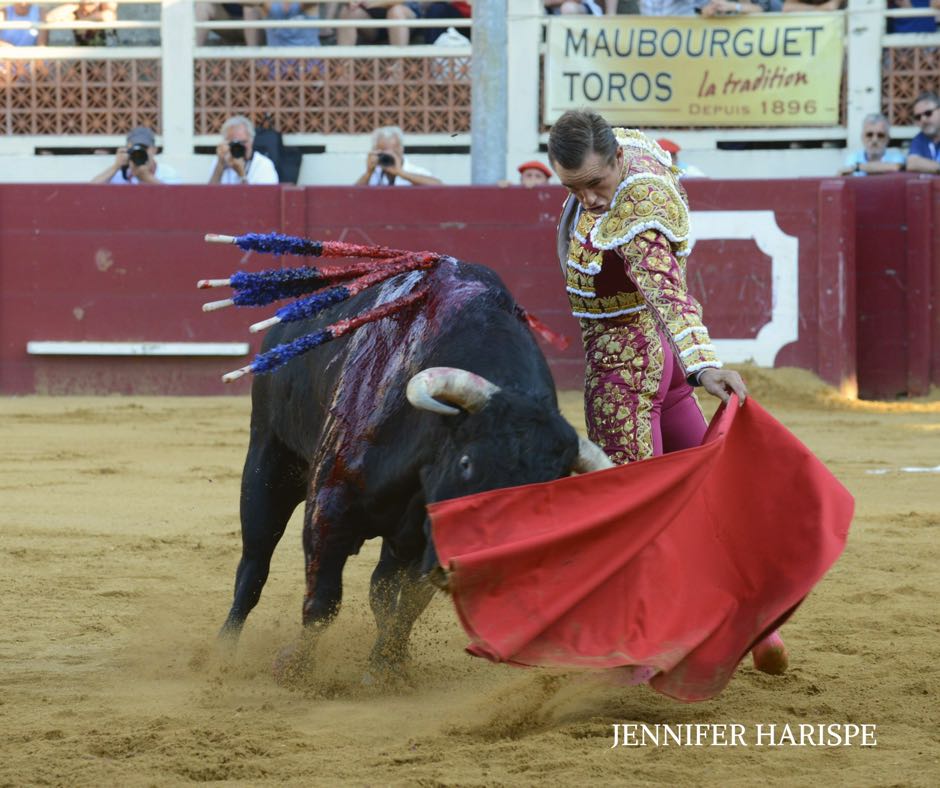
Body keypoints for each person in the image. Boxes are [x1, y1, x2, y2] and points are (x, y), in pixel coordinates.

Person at [548, 109, 787, 675]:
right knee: (703, 498)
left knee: (635, 518)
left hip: (625, 372)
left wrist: (705, 366)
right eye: (573, 187)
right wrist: (689, 367)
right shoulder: (629, 149)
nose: (589, 199)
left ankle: (644, 656)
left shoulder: (637, 212)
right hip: (662, 366)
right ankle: (761, 627)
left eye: (596, 183)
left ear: (616, 160)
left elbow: (669, 295)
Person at [90, 126, 181, 184]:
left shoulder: (167, 172)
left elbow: (175, 198)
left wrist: (146, 177)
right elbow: (89, 191)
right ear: (127, 150)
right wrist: (115, 167)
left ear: (154, 150)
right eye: (134, 148)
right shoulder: (121, 173)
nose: (139, 152)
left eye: (144, 148)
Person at [355, 125, 442, 186]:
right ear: (375, 151)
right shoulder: (372, 174)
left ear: (401, 149)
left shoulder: (414, 171)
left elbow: (440, 187)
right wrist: (368, 173)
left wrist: (401, 173)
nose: (388, 156)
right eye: (383, 152)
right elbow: (352, 195)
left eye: (393, 152)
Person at [209, 115, 280, 185]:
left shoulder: (263, 164)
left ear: (251, 140)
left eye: (243, 142)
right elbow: (210, 191)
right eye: (234, 143)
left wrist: (242, 175)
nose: (238, 147)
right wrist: (220, 164)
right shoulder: (220, 161)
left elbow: (265, 193)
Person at [838, 113, 905, 176]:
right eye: (869, 135)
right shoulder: (853, 158)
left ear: (888, 139)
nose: (874, 140)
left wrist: (857, 167)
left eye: (880, 135)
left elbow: (896, 168)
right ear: (862, 137)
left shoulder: (896, 157)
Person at [336, 2, 422, 47]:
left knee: (395, 12)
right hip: (374, 23)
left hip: (405, 18)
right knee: (347, 11)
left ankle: (397, 69)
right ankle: (343, 69)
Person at [46, 2, 116, 45]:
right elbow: (49, 18)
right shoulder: (73, 14)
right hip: (82, 60)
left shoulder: (104, 12)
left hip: (105, 58)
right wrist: (74, 5)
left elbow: (108, 15)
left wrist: (84, 20)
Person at [195, 3, 263, 46]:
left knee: (250, 7)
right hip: (227, 21)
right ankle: (192, 59)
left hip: (256, 25)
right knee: (203, 5)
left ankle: (253, 59)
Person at [905, 91, 940, 174]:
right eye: (918, 117)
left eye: (928, 113)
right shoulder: (920, 139)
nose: (923, 120)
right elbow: (912, 163)